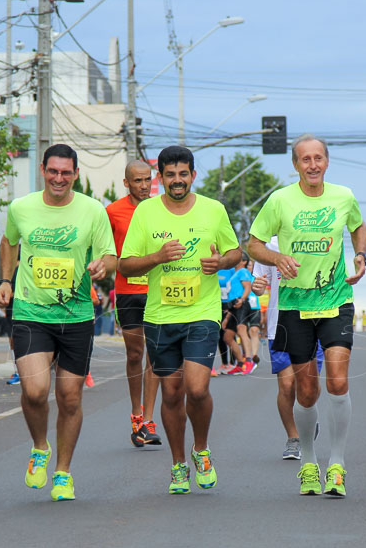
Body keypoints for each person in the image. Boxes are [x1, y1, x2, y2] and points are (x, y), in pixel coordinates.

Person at [248, 133, 366, 498]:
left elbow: (358, 227)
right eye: (305, 159)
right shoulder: (280, 200)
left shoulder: (343, 196)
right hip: (295, 308)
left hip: (336, 300)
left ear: (326, 162)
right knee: (307, 390)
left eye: (318, 158)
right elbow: (253, 243)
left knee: (337, 381)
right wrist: (276, 258)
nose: (312, 165)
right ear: (295, 165)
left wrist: (361, 256)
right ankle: (309, 464)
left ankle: (337, 464)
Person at [0, 144, 115, 501]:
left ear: (75, 174)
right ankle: (39, 446)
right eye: (53, 171)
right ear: (43, 170)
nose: (59, 178)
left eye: (66, 173)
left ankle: (63, 472)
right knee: (34, 390)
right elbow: (8, 241)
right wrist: (4, 281)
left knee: (69, 398)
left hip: (76, 315)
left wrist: (103, 265)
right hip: (31, 313)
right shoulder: (22, 207)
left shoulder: (93, 210)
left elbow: (109, 253)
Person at [119, 145, 241, 494]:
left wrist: (221, 263)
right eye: (170, 174)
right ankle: (178, 465)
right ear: (160, 178)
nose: (177, 180)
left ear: (193, 175)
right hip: (160, 316)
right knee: (171, 393)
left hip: (202, 312)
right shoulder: (146, 213)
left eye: (183, 174)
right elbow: (126, 264)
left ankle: (201, 450)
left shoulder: (213, 210)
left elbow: (236, 251)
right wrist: (156, 257)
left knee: (197, 388)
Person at [251, 235, 324, 460]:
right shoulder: (269, 245)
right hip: (280, 325)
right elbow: (259, 287)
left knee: (308, 386)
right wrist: (257, 287)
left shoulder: (316, 239)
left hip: (314, 321)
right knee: (287, 384)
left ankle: (307, 416)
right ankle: (294, 437)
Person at [106, 159, 163, 447]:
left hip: (156, 289)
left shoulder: (160, 209)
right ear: (126, 183)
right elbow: (105, 251)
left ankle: (148, 420)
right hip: (127, 292)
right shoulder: (112, 212)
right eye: (137, 181)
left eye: (147, 180)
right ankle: (135, 413)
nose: (143, 185)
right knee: (134, 354)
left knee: (154, 354)